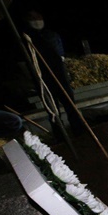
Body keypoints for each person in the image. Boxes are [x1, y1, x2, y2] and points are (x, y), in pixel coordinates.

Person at [20, 8, 84, 137]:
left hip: (60, 75)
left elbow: (60, 54)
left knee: (70, 105)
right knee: (52, 109)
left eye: (38, 18)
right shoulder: (26, 39)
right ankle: (60, 135)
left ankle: (79, 130)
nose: (37, 21)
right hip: (43, 78)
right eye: (32, 19)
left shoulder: (51, 35)